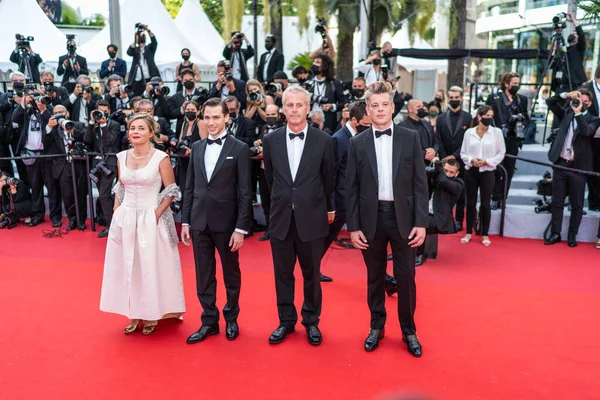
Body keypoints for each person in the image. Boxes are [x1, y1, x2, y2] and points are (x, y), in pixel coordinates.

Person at [345, 81, 428, 356]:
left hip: (404, 219)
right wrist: (353, 227)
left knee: (406, 277)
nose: (380, 110)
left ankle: (409, 331)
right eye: (374, 106)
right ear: (367, 110)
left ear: (393, 107)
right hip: (370, 220)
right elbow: (351, 188)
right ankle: (376, 327)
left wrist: (421, 222)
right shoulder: (357, 143)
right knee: (375, 277)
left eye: (384, 105)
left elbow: (419, 184)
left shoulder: (410, 137)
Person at [100, 113, 185, 335]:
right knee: (129, 266)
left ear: (151, 133)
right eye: (132, 128)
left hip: (151, 218)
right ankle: (134, 313)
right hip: (125, 217)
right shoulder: (121, 156)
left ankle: (151, 314)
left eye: (140, 128)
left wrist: (156, 215)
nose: (135, 131)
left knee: (149, 267)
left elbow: (171, 191)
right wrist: (117, 211)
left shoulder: (161, 158)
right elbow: (120, 186)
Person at [262, 86, 335, 346]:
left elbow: (329, 180)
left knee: (312, 274)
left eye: (299, 105)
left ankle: (311, 321)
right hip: (281, 218)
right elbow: (270, 180)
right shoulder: (270, 141)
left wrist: (315, 204)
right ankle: (285, 321)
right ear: (283, 109)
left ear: (307, 108)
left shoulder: (324, 140)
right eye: (289, 105)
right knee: (282, 273)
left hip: (311, 218)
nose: (294, 109)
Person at [181, 98, 252, 344]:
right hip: (200, 221)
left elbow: (245, 192)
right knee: (203, 274)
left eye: (216, 117)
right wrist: (186, 221)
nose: (211, 122)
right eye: (207, 118)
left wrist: (241, 228)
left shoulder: (240, 148)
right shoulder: (198, 146)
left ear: (226, 118)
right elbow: (190, 186)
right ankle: (209, 321)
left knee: (231, 273)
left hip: (228, 223)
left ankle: (231, 317)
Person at [321, 101, 371, 282]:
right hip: (341, 201)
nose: (370, 127)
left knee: (365, 237)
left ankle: (383, 278)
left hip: (356, 198)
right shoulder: (338, 139)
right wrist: (331, 206)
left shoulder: (361, 137)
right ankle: (311, 268)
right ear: (355, 120)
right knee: (327, 236)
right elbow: (331, 175)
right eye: (366, 124)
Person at [545, 89, 600, 247]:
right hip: (561, 163)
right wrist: (566, 95)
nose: (580, 103)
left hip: (579, 168)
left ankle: (572, 235)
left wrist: (579, 114)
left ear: (589, 104)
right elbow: (550, 103)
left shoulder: (594, 119)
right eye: (579, 100)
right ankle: (555, 233)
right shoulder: (566, 114)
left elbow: (585, 132)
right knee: (557, 202)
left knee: (577, 204)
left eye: (584, 101)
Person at [12, 93, 61, 227]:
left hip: (46, 155)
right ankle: (38, 215)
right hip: (31, 155)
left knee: (52, 188)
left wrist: (43, 108)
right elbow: (14, 118)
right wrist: (23, 102)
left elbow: (53, 122)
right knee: (35, 187)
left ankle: (55, 217)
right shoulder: (27, 112)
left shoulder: (47, 111)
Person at [460, 105, 506, 247]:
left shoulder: (497, 132)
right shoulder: (469, 133)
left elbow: (501, 153)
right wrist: (471, 160)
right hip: (472, 172)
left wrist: (487, 162)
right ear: (479, 117)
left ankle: (485, 233)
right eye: (487, 116)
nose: (489, 119)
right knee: (471, 203)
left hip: (488, 172)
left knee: (486, 204)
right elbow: (463, 153)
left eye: (491, 116)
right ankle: (468, 232)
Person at [486, 71, 529, 210]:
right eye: (514, 83)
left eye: (518, 83)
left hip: (513, 139)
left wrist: (522, 123)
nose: (517, 86)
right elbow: (486, 116)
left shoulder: (521, 99)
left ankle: (503, 197)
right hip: (497, 138)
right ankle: (495, 197)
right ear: (506, 84)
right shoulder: (494, 98)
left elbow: (527, 118)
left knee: (509, 169)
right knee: (497, 168)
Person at [43, 105, 88, 230]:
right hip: (62, 166)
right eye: (56, 113)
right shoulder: (52, 128)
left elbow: (86, 138)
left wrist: (72, 131)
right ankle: (72, 219)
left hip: (78, 164)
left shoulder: (78, 125)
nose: (60, 114)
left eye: (61, 112)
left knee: (81, 193)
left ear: (67, 113)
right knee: (67, 195)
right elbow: (45, 144)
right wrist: (49, 127)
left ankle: (81, 221)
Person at [415, 159, 465, 266]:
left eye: (451, 172)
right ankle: (401, 252)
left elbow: (444, 181)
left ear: (457, 173)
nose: (447, 174)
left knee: (419, 223)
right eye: (445, 170)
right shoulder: (437, 177)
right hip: (425, 213)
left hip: (439, 220)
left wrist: (439, 169)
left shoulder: (458, 183)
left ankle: (420, 255)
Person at [84, 100, 122, 238]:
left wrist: (104, 125)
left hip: (109, 163)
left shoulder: (115, 125)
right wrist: (91, 123)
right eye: (100, 112)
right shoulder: (93, 126)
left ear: (109, 111)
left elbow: (110, 141)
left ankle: (111, 226)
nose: (102, 114)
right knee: (103, 195)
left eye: (105, 112)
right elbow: (87, 140)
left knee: (103, 195)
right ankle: (113, 222)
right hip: (96, 164)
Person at [436, 86, 472, 231]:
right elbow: (437, 138)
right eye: (452, 98)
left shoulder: (468, 117)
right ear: (448, 99)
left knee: (461, 191)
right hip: (444, 160)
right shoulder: (441, 118)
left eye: (457, 98)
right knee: (443, 189)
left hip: (461, 159)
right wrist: (445, 157)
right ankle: (443, 219)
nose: (454, 100)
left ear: (461, 98)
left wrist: (455, 156)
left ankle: (458, 220)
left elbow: (468, 139)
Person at [253, 104, 283, 241]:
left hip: (278, 172)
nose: (270, 117)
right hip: (263, 169)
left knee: (277, 201)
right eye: (268, 115)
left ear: (278, 115)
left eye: (273, 115)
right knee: (265, 201)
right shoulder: (264, 128)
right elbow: (259, 144)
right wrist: (257, 144)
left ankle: (278, 229)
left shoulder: (283, 129)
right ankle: (268, 229)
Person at [171, 100, 207, 198]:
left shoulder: (201, 123)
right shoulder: (184, 123)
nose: (190, 111)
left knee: (194, 190)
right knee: (184, 188)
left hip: (196, 161)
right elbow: (180, 140)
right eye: (188, 109)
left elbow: (204, 143)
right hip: (183, 160)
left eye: (192, 110)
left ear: (198, 112)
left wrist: (192, 151)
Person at [306, 54, 346, 133]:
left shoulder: (335, 83)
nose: (314, 64)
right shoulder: (308, 83)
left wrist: (332, 106)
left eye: (317, 62)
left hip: (328, 123)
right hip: (310, 121)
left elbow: (344, 102)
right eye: (314, 62)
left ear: (325, 66)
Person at [399, 99, 439, 170]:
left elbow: (436, 141)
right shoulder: (401, 127)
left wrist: (434, 150)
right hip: (410, 167)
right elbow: (404, 148)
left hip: (428, 166)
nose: (422, 108)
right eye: (418, 106)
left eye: (422, 106)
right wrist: (424, 154)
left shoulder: (427, 125)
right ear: (410, 109)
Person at [168, 68, 209, 136]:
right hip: (181, 130)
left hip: (198, 131)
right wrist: (182, 109)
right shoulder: (176, 96)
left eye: (190, 80)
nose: (188, 82)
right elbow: (171, 114)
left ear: (194, 80)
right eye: (186, 80)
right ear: (182, 82)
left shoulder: (202, 95)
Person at [127, 24, 159, 97]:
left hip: (149, 76)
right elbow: (129, 52)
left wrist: (147, 30)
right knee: (136, 95)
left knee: (150, 94)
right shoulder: (135, 49)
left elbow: (154, 41)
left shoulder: (149, 48)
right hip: (137, 77)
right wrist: (135, 40)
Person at [564, 12, 586, 88]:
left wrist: (573, 20)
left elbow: (581, 34)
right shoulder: (565, 49)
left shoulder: (579, 47)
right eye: (573, 33)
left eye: (575, 34)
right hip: (563, 84)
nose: (573, 34)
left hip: (575, 84)